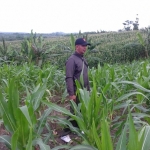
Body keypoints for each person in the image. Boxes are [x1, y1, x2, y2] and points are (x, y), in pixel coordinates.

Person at [60, 38, 90, 142]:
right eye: (83, 46)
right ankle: (64, 134)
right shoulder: (72, 60)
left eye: (86, 46)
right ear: (77, 46)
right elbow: (69, 77)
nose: (85, 48)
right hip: (76, 92)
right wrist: (71, 94)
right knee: (73, 113)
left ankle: (77, 129)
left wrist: (88, 91)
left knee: (81, 111)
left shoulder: (82, 59)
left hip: (83, 92)